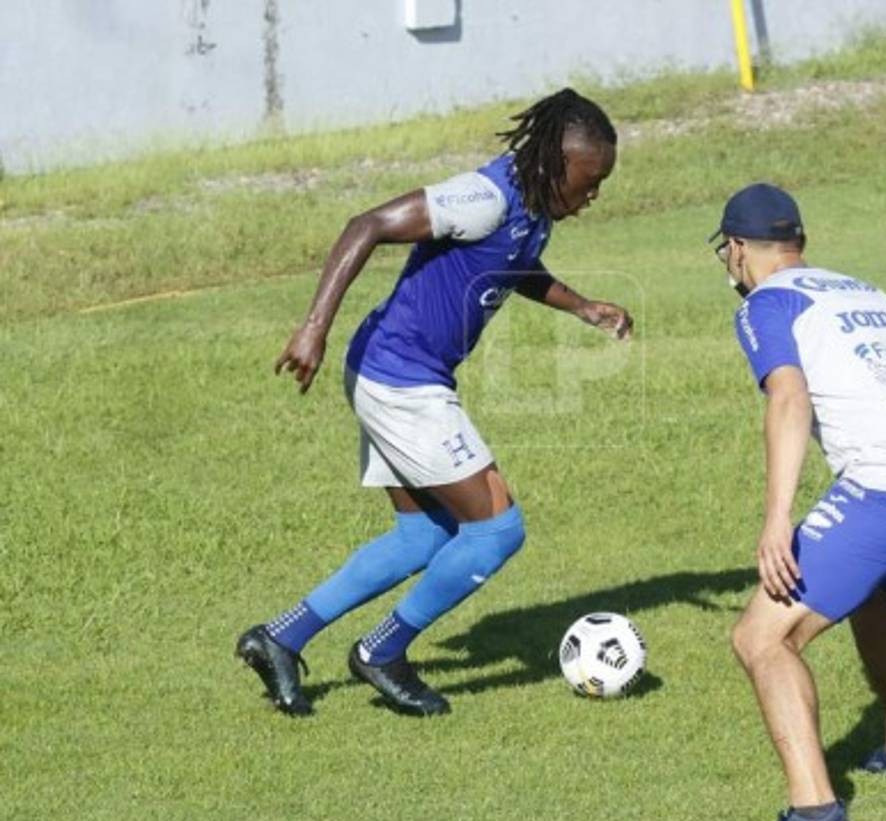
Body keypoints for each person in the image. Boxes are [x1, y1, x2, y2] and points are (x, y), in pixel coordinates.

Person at [235, 88, 632, 718]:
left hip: (396, 374)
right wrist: (314, 326)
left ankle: (280, 637)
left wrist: (580, 305)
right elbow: (366, 225)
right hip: (401, 383)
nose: (594, 195)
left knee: (423, 534)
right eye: (590, 181)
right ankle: (382, 652)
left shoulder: (533, 205)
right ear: (558, 165)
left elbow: (515, 265)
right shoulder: (482, 198)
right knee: (497, 529)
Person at [712, 184, 886, 821]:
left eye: (726, 253)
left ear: (739, 249)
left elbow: (789, 399)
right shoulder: (861, 289)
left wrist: (777, 522)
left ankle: (816, 816)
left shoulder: (766, 304)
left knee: (761, 639)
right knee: (868, 587)